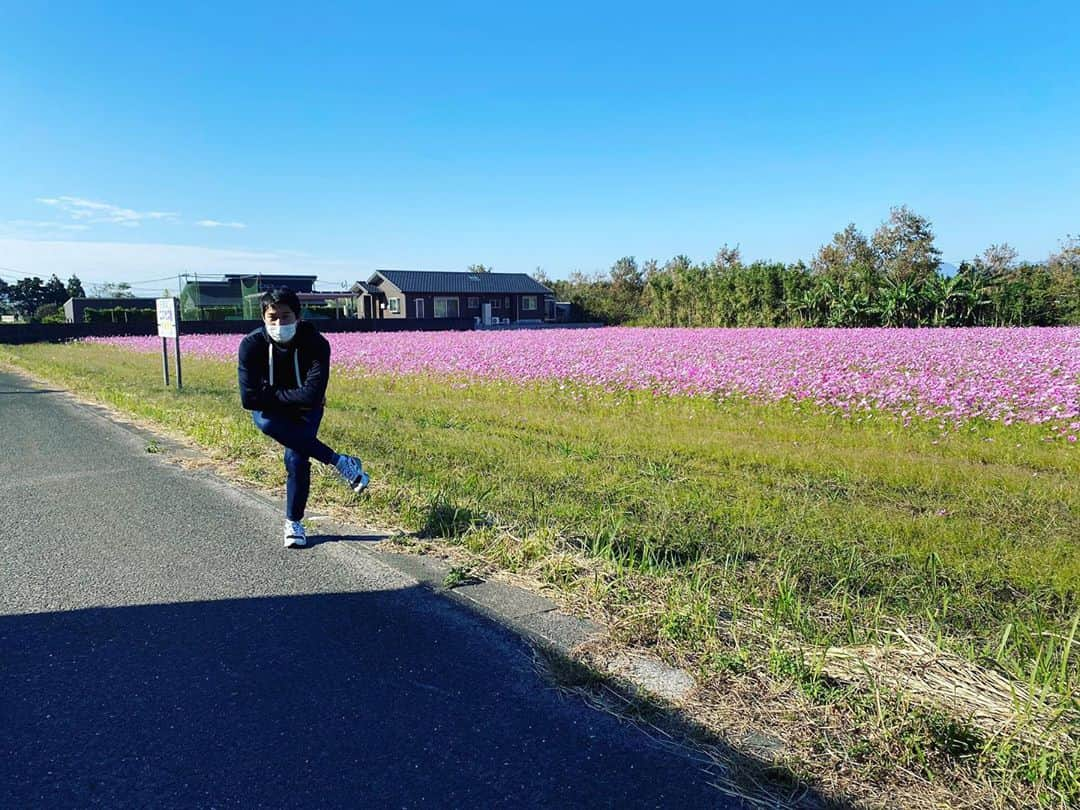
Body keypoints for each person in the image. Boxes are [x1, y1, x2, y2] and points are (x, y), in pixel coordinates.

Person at [237, 287, 369, 548]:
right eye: (272, 317)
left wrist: (272, 394)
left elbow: (312, 396)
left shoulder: (316, 343)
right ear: (263, 318)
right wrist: (288, 396)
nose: (278, 323)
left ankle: (293, 522)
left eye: (285, 316)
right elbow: (249, 399)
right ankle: (340, 462)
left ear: (298, 316)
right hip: (272, 413)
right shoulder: (251, 345)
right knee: (266, 423)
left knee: (296, 457)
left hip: (305, 410)